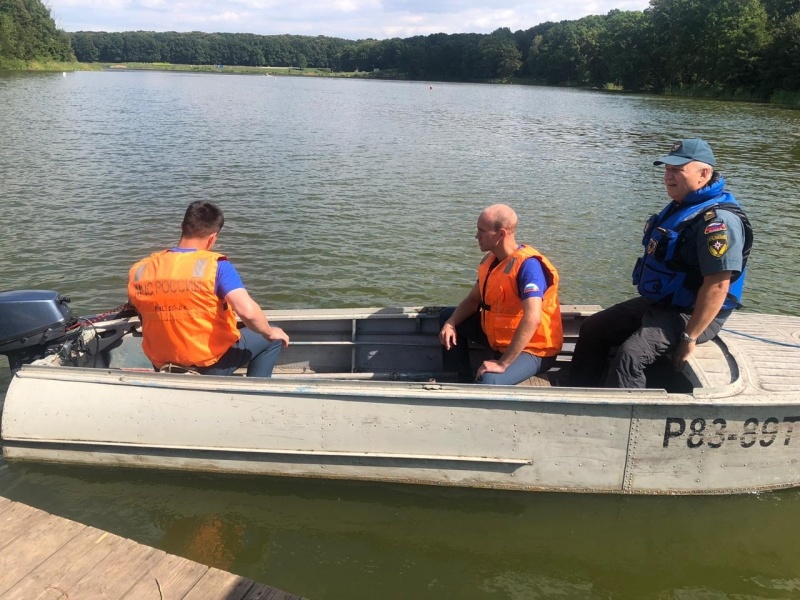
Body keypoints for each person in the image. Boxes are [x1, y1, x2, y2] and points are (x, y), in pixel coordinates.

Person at [569, 138, 753, 388]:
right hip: (665, 302)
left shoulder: (718, 222)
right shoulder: (684, 206)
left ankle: (623, 415)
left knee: (630, 356)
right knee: (593, 327)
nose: (668, 176)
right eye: (667, 169)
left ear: (704, 174)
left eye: (677, 170)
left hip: (694, 313)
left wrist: (689, 337)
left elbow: (718, 286)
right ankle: (579, 392)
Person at [128, 200, 289, 377]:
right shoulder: (216, 266)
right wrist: (269, 332)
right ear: (212, 237)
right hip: (209, 365)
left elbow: (139, 307)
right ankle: (256, 393)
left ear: (183, 227)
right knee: (273, 338)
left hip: (161, 364)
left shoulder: (141, 269)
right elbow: (248, 312)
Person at [439, 204, 563, 385]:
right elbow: (473, 300)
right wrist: (451, 323)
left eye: (482, 231)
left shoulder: (529, 267)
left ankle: (482, 385)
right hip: (498, 337)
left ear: (501, 234)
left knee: (489, 380)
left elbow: (533, 318)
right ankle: (462, 381)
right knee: (448, 317)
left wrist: (502, 364)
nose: (476, 236)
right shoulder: (490, 261)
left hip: (533, 349)